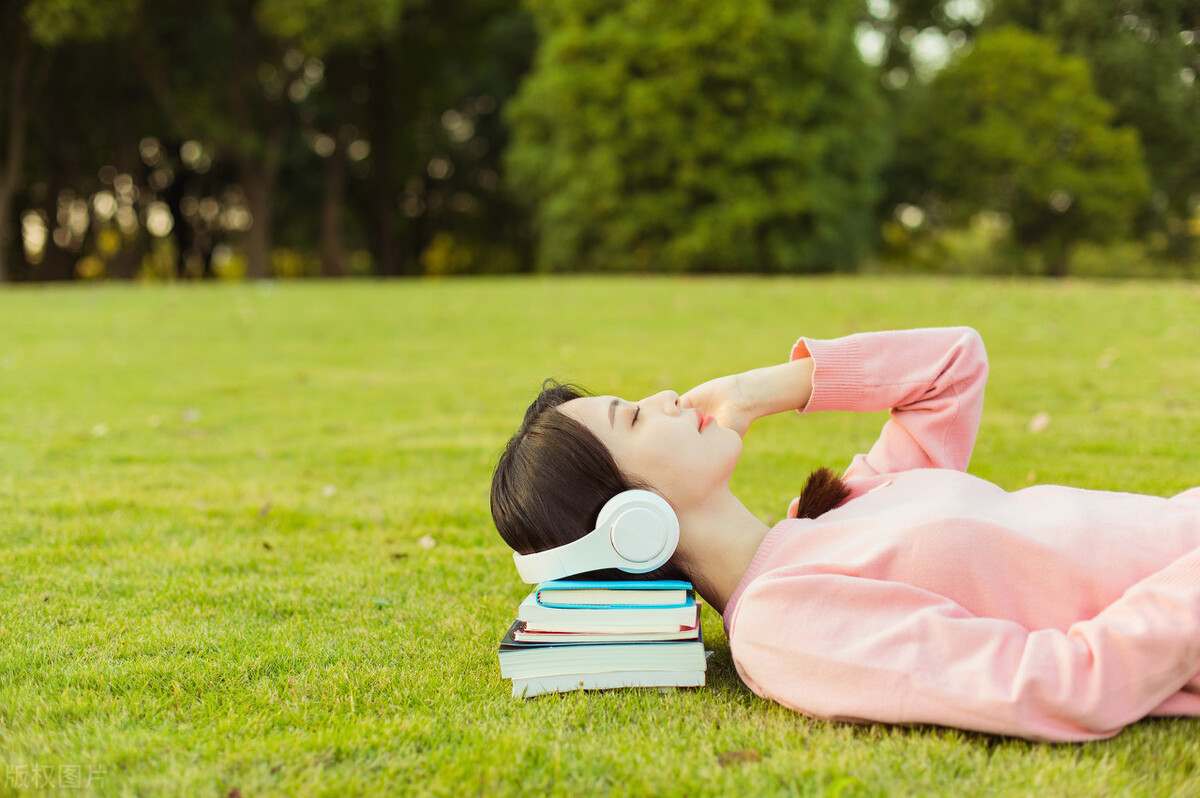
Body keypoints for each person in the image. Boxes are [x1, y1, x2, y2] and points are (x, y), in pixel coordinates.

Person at [490, 327, 1200, 742]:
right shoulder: (778, 623)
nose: (666, 396)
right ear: (632, 522)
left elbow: (953, 365)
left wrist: (760, 388)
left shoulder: (823, 511)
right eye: (635, 419)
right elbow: (1059, 684)